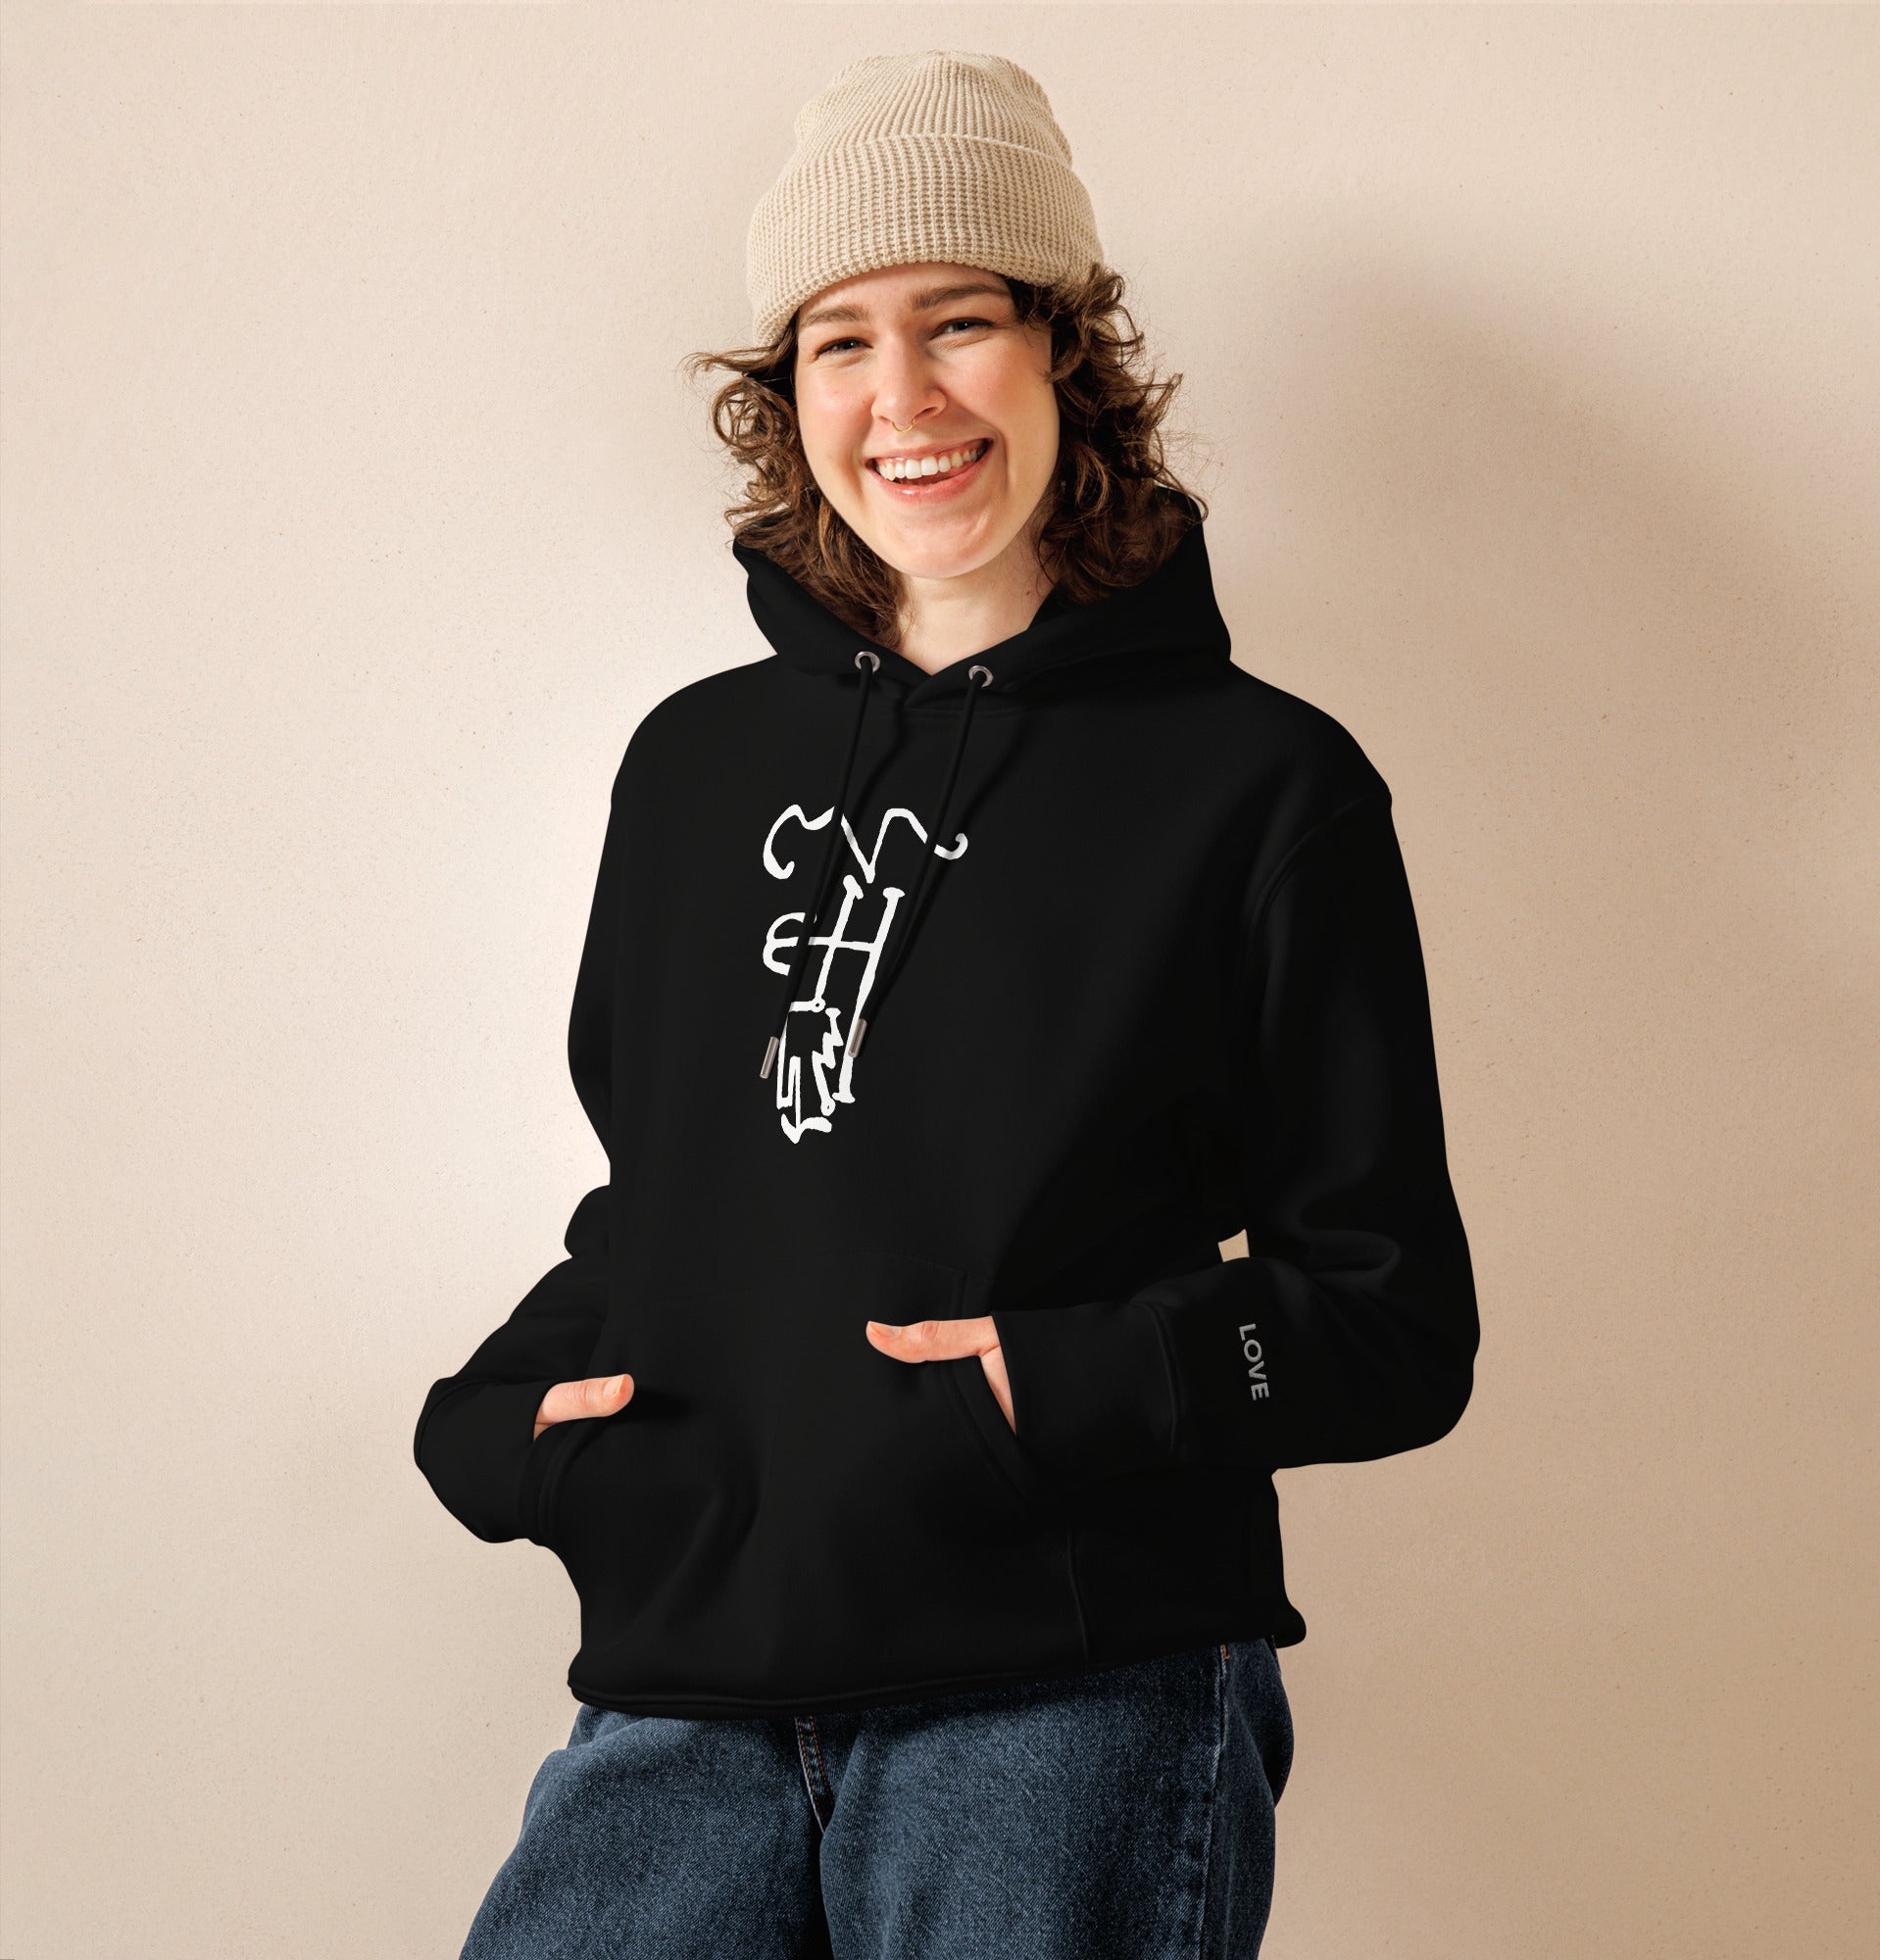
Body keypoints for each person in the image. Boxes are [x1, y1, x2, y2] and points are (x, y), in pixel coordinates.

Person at [414, 47, 1479, 1960]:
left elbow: (1391, 1323)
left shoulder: (1262, 787)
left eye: (960, 321)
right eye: (840, 341)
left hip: (1063, 1692)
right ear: (787, 397)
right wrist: (504, 1427)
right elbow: (674, 1207)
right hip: (683, 1687)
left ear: (1065, 354)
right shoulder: (690, 770)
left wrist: (1051, 1389)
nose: (901, 395)